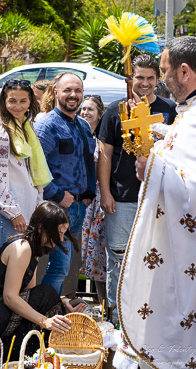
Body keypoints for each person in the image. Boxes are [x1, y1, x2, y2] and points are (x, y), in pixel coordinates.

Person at [118, 37, 196, 368]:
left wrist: (150, 166)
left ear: (184, 71)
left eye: (166, 71)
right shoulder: (192, 112)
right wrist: (159, 139)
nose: (163, 79)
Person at [96, 54, 177, 315]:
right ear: (130, 78)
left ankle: (148, 318)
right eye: (139, 77)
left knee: (153, 259)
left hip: (157, 199)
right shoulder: (114, 110)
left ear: (157, 79)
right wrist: (106, 192)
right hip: (121, 199)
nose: (144, 83)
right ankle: (117, 318)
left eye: (150, 78)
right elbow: (105, 153)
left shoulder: (169, 109)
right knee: (118, 259)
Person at [0, 201, 75, 368]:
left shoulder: (32, 250)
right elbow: (10, 297)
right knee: (47, 293)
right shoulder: (22, 248)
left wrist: (62, 302)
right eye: (58, 232)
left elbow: (31, 294)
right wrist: (44, 321)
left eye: (63, 233)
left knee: (47, 294)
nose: (60, 239)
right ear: (41, 227)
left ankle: (30, 355)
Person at [34, 72, 96, 296]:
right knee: (59, 267)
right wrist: (57, 194)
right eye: (67, 90)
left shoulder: (83, 125)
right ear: (56, 92)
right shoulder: (46, 125)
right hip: (58, 208)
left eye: (78, 91)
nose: (73, 95)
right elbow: (35, 165)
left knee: (67, 267)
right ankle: (45, 318)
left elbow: (89, 161)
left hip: (79, 207)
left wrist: (89, 194)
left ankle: (56, 313)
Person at [0, 79, 47, 257]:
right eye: (12, 101)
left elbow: (32, 173)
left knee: (21, 274)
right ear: (4, 101)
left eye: (23, 101)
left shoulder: (26, 128)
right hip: (8, 217)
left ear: (30, 102)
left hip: (26, 212)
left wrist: (38, 206)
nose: (17, 106)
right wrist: (13, 212)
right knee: (2, 276)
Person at [79, 96, 107, 303]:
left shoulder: (104, 139)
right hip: (85, 200)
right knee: (87, 253)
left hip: (100, 198)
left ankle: (105, 303)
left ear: (100, 113)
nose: (85, 112)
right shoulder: (79, 134)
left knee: (100, 252)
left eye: (90, 109)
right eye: (83, 109)